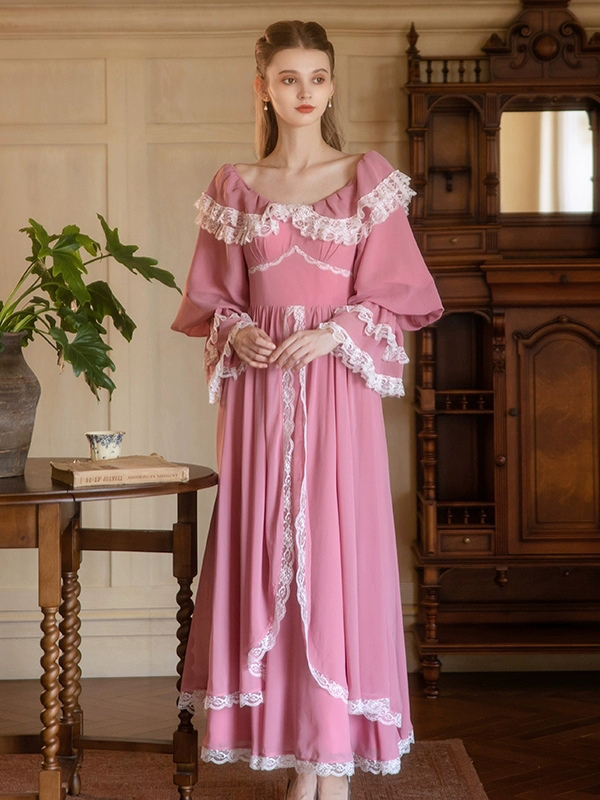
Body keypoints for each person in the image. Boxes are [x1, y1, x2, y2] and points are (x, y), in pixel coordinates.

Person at [171, 19, 443, 800]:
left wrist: (335, 332)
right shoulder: (235, 186)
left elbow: (399, 294)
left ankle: (332, 766)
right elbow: (212, 298)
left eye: (317, 78)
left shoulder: (365, 178)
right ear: (262, 87)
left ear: (330, 85)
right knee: (268, 556)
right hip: (260, 398)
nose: (304, 92)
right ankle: (300, 761)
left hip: (336, 394)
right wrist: (238, 331)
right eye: (288, 78)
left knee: (332, 554)